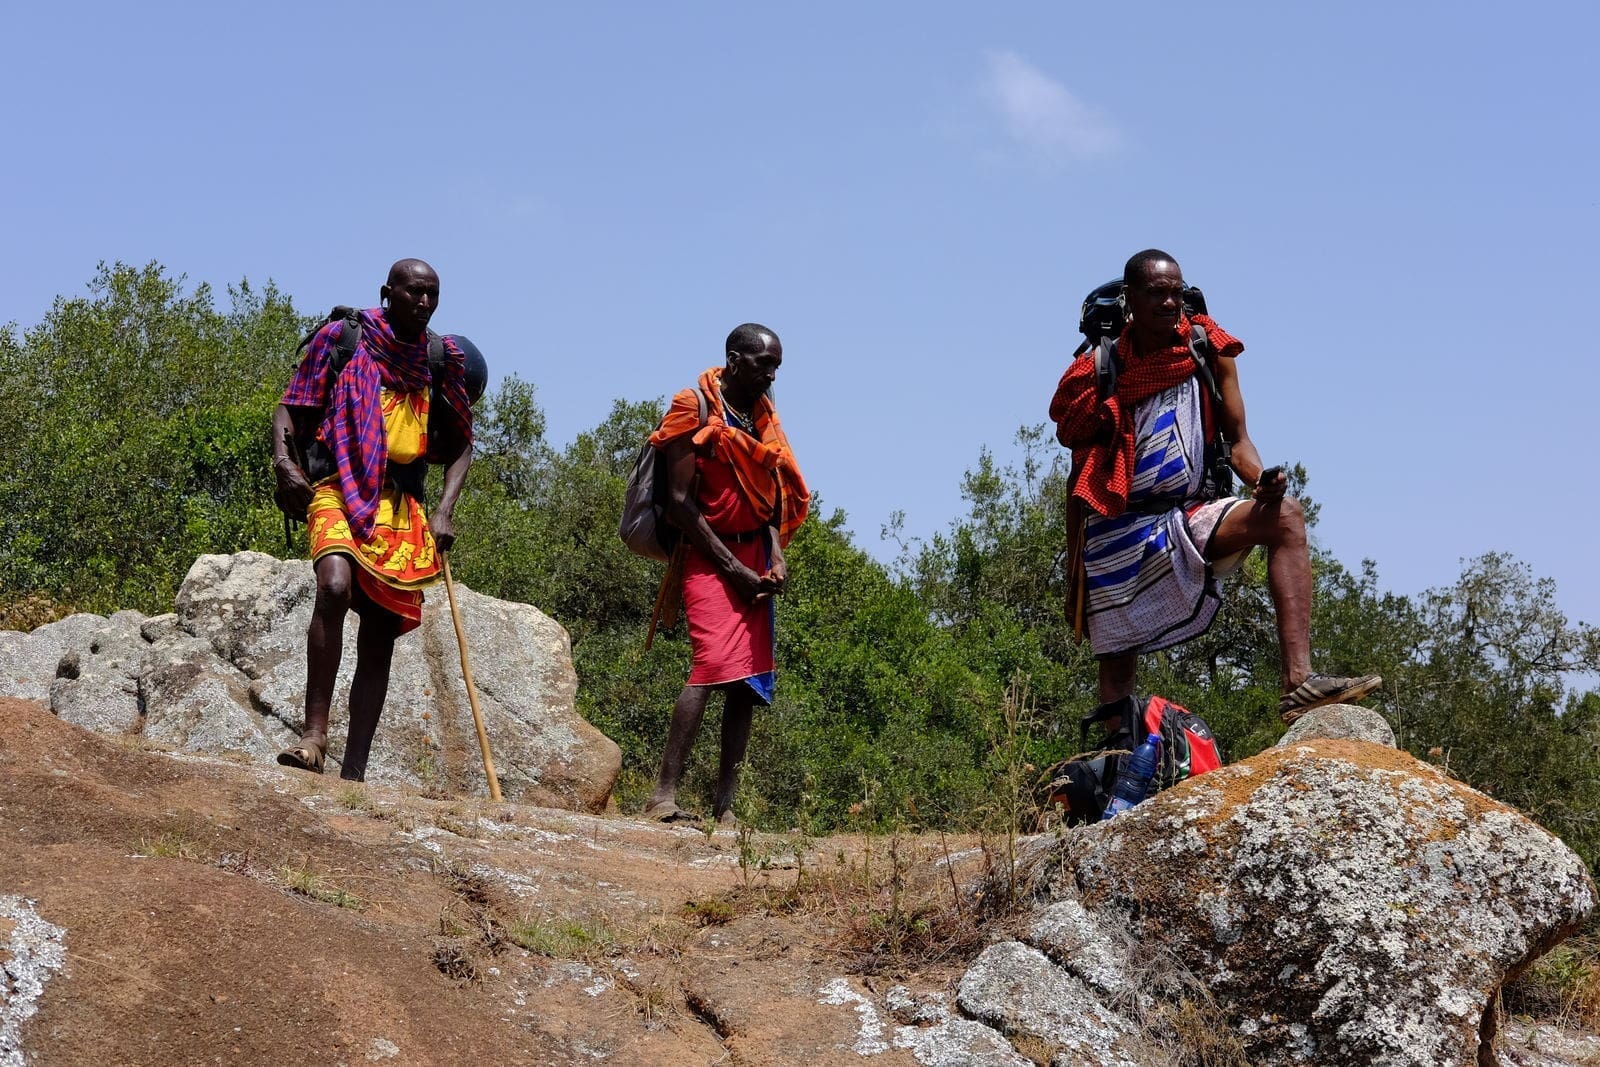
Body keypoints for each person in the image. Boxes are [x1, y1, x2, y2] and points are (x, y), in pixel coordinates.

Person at [1050, 249, 1378, 724]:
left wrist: (1261, 483)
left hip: (1187, 513)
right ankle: (1117, 767)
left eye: (1176, 293)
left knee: (1285, 515)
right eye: (1157, 294)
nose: (1169, 303)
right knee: (1117, 678)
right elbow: (1080, 471)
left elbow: (1239, 442)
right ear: (1131, 301)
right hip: (1115, 530)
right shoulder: (1101, 370)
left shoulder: (1207, 349)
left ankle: (1298, 683)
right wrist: (1073, 574)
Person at [269, 258, 474, 780]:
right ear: (388, 293)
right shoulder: (343, 339)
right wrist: (284, 466)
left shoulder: (440, 359)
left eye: (433, 295)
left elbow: (460, 447)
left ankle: (354, 771)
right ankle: (314, 738)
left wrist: (445, 510)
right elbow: (289, 408)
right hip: (337, 485)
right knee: (333, 586)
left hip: (399, 502)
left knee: (380, 630)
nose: (425, 303)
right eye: (414, 293)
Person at [643, 323, 809, 826]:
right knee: (712, 667)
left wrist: (775, 558)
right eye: (763, 364)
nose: (771, 374)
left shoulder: (763, 420)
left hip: (754, 557)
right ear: (734, 360)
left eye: (776, 366)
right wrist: (733, 568)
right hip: (708, 559)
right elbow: (678, 505)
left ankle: (725, 807)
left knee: (747, 683)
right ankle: (662, 796)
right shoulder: (691, 408)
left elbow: (770, 502)